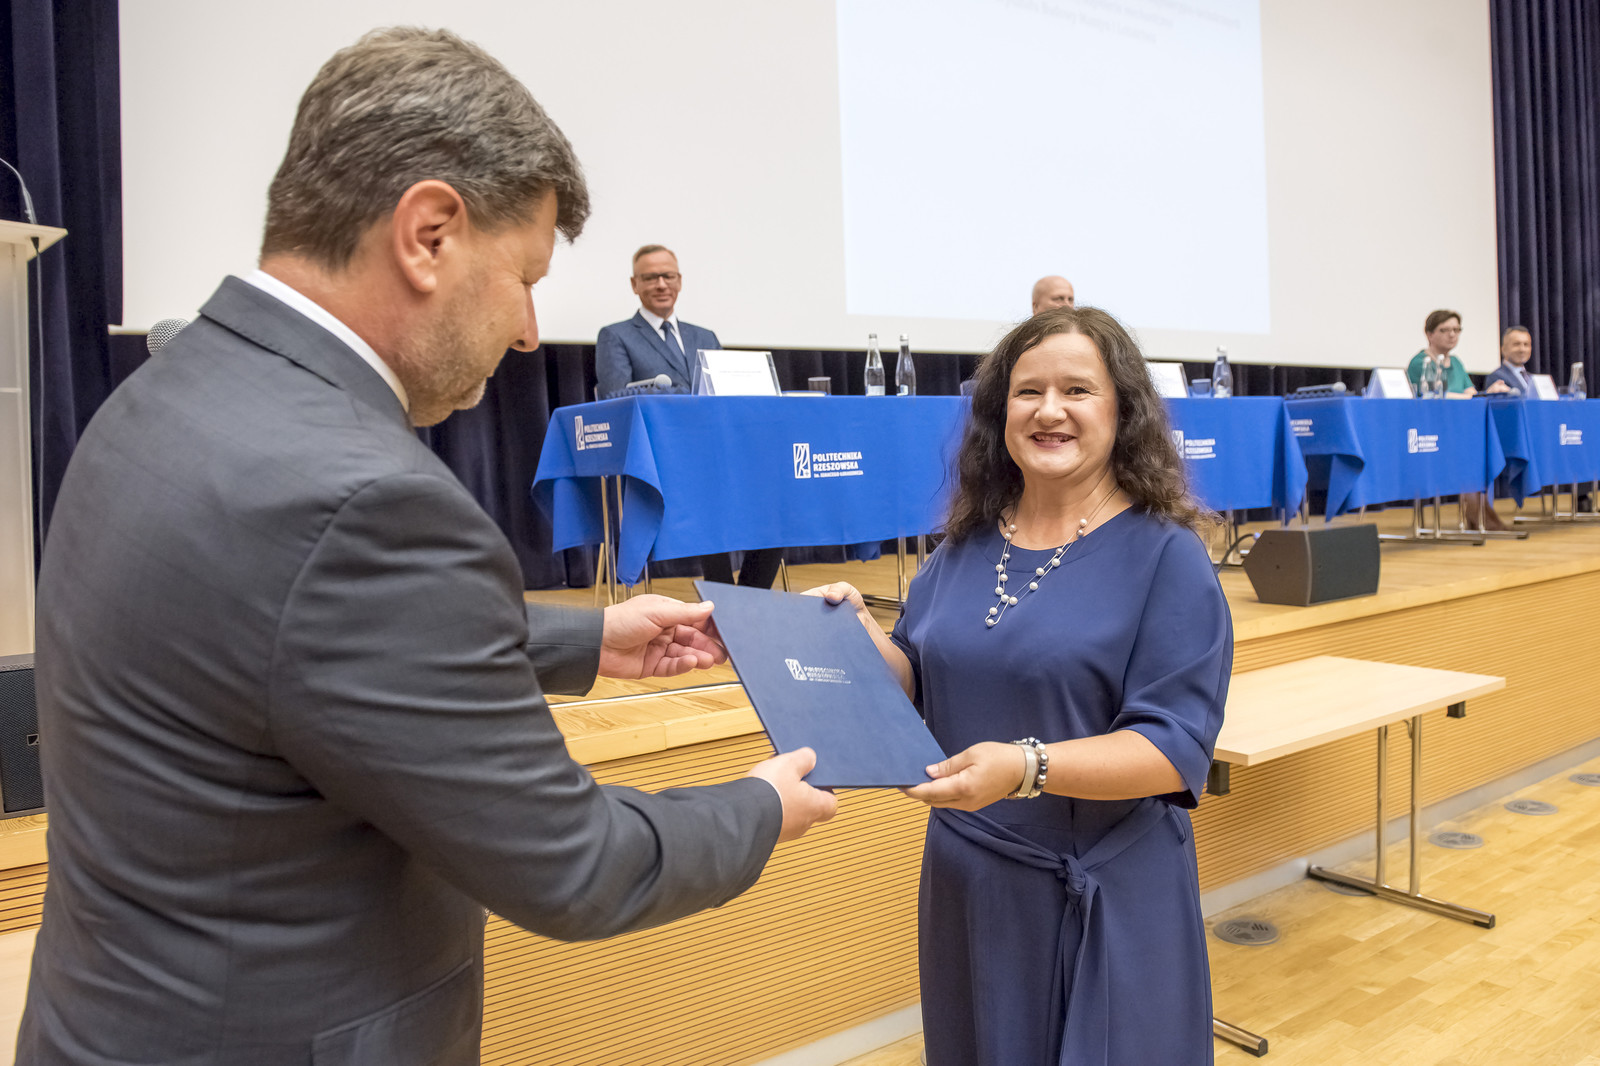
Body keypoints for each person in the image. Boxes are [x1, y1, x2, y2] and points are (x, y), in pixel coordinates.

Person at [17, 29, 836, 1065]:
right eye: (525, 276)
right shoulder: (370, 499)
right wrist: (758, 806)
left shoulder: (171, 390)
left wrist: (586, 640)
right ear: (429, 234)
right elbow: (575, 864)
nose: (530, 329)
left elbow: (283, 627)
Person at [811, 306, 1230, 1064]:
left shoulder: (1167, 557)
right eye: (1028, 391)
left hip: (1102, 894)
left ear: (1123, 411)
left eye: (1077, 390)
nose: (1049, 410)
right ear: (999, 413)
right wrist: (859, 635)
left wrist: (1027, 767)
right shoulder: (964, 546)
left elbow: (1173, 753)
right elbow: (919, 680)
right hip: (969, 886)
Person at [596, 245, 784, 589]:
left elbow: (724, 392)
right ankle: (722, 593)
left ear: (679, 281)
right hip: (662, 456)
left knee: (777, 493)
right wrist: (685, 392)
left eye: (668, 276)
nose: (661, 284)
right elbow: (615, 397)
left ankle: (749, 596)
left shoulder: (704, 336)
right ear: (634, 284)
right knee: (706, 489)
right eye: (650, 277)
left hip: (718, 449)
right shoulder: (616, 335)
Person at [1405, 309, 1477, 397]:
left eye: (1456, 330)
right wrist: (1466, 397)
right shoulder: (1421, 362)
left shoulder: (1455, 362)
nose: (1452, 334)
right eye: (1444, 330)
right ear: (1429, 335)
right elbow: (1434, 395)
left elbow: (1472, 392)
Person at [1483, 325, 1536, 395]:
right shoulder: (1497, 377)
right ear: (1503, 349)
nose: (1522, 349)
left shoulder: (1532, 378)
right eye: (1516, 344)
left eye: (1526, 344)